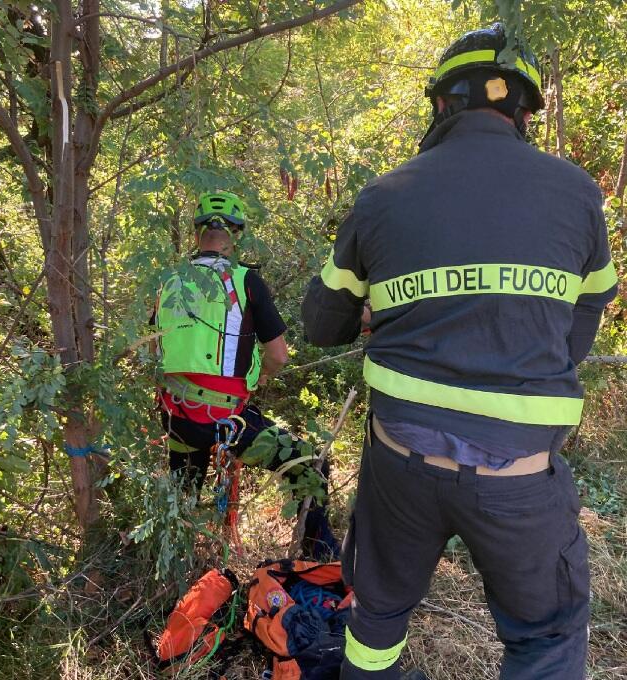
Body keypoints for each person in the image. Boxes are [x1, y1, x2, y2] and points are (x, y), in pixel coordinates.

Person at [301, 24, 618, 680]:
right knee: (547, 634)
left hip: (400, 463)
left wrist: (375, 309)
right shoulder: (578, 194)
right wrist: (526, 348)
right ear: (524, 110)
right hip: (520, 474)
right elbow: (585, 317)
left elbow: (320, 322)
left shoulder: (385, 195)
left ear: (441, 105)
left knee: (378, 616)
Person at [155, 190, 339, 560]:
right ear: (236, 236)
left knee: (182, 499)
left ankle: (174, 570)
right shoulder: (244, 281)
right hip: (225, 418)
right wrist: (260, 378)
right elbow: (279, 355)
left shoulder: (169, 280)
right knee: (310, 465)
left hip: (176, 414)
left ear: (196, 234)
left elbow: (153, 351)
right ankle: (320, 557)